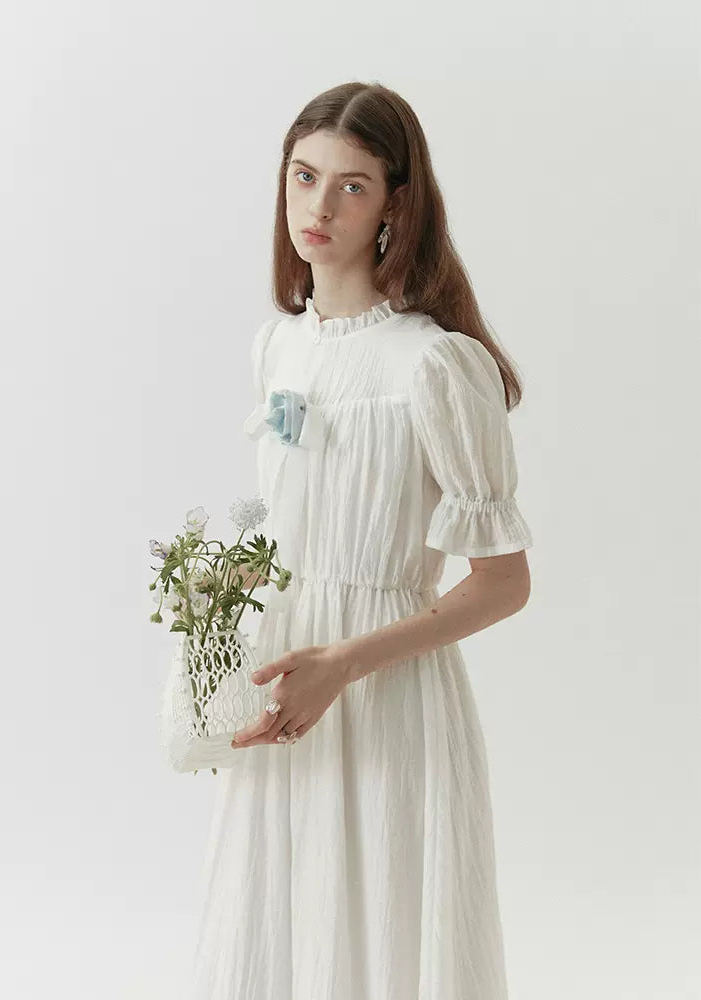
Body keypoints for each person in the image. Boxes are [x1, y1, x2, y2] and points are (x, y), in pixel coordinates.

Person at [188, 81, 534, 1000]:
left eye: (351, 186)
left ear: (395, 206)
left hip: (386, 696)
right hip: (286, 690)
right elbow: (291, 531)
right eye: (304, 177)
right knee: (280, 931)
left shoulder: (435, 363)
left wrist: (344, 663)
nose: (319, 206)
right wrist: (217, 609)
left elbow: (503, 583)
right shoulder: (277, 348)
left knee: (383, 931)